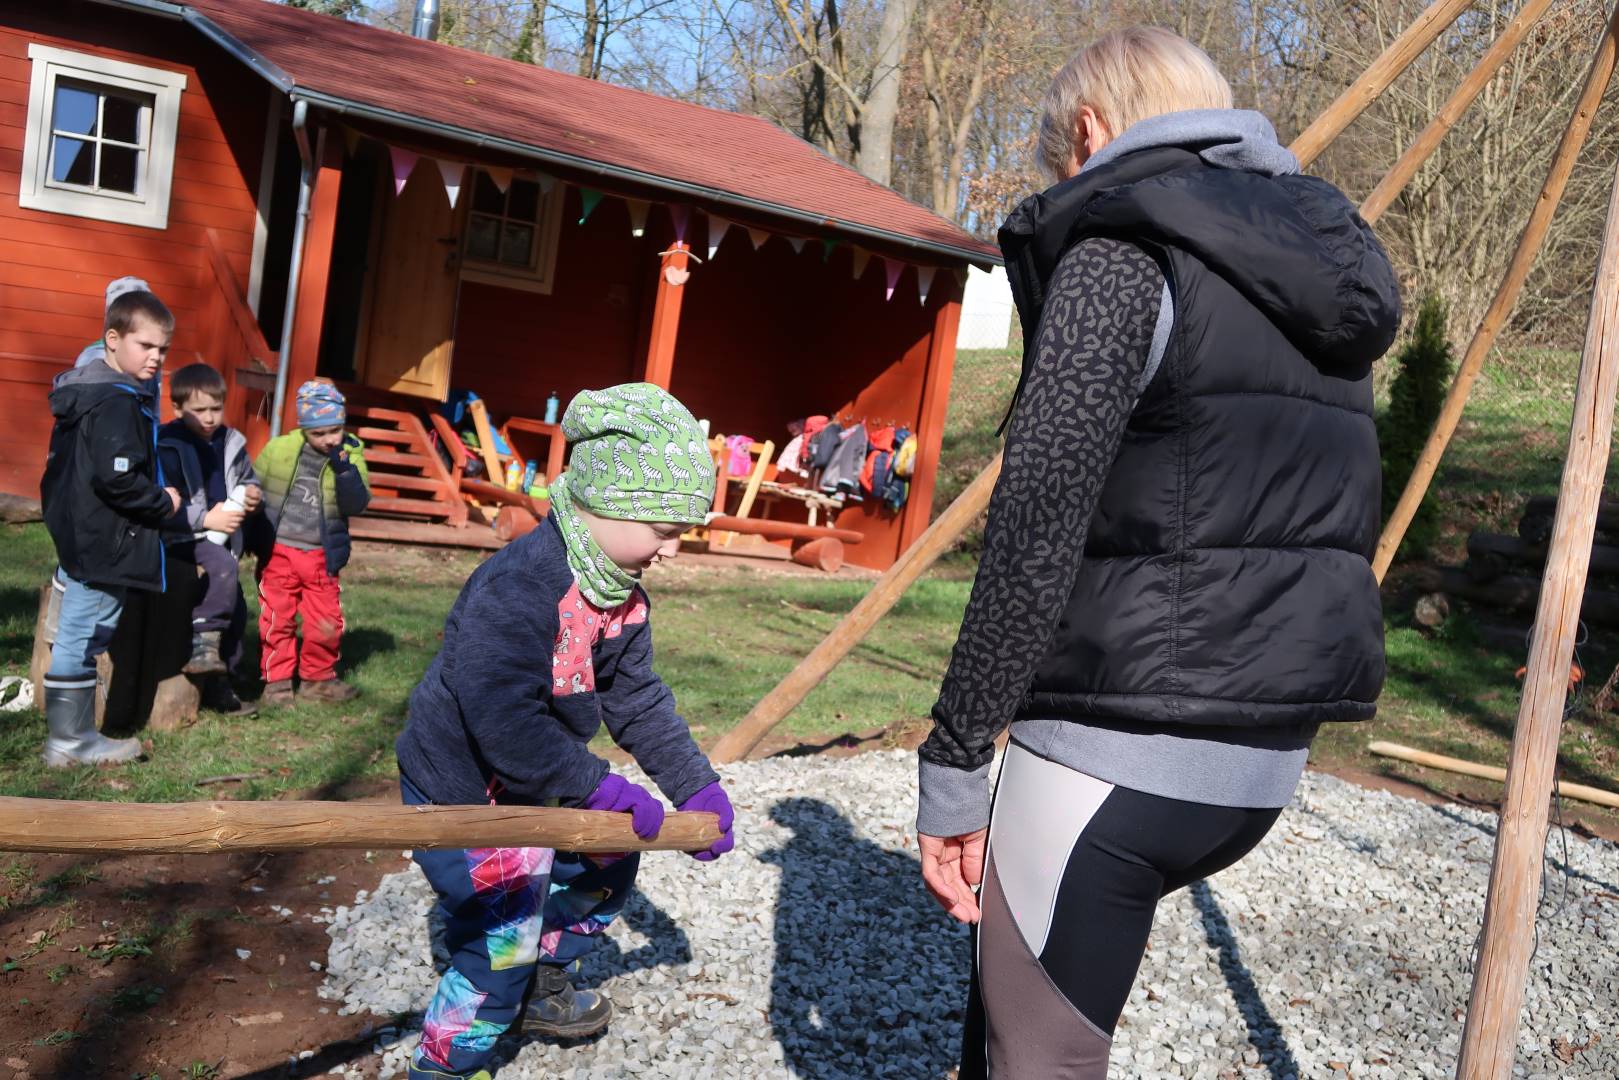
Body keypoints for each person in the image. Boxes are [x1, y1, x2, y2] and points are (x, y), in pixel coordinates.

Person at [914, 27, 1400, 1078]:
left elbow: (1037, 516)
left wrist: (954, 759)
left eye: (1058, 159)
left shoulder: (1119, 253)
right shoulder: (1314, 274)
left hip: (1112, 750)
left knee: (1033, 1056)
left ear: (1089, 132)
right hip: (1259, 764)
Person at [394, 382, 736, 1080]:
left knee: (610, 861)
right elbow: (503, 721)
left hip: (536, 783)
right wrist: (596, 786)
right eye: (665, 529)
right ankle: (446, 1065)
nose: (673, 550)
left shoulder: (620, 598)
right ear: (605, 504)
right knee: (500, 942)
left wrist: (695, 785)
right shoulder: (519, 588)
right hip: (465, 793)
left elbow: (637, 701)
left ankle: (540, 978)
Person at [39, 289, 182, 766]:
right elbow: (117, 477)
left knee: (76, 633)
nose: (156, 358)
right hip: (106, 542)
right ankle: (71, 740)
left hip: (80, 535)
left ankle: (69, 739)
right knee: (85, 635)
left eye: (163, 349)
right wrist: (162, 502)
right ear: (113, 339)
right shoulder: (116, 402)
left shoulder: (87, 392)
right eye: (146, 346)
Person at [251, 379, 369, 706]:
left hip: (320, 555)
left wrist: (345, 472)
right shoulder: (279, 450)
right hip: (279, 552)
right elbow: (254, 488)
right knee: (277, 619)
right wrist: (250, 529)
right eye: (319, 433)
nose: (330, 439)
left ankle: (317, 680)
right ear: (304, 429)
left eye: (336, 430)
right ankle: (276, 683)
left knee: (325, 621)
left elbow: (356, 504)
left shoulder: (351, 454)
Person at [157, 362, 263, 715]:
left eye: (215, 408)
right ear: (177, 409)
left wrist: (253, 495)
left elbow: (248, 479)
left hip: (222, 538)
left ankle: (223, 678)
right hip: (182, 537)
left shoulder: (230, 442)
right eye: (199, 410)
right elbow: (162, 502)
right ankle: (204, 643)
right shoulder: (167, 445)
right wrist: (205, 518)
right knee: (221, 569)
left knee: (237, 607)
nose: (209, 417)